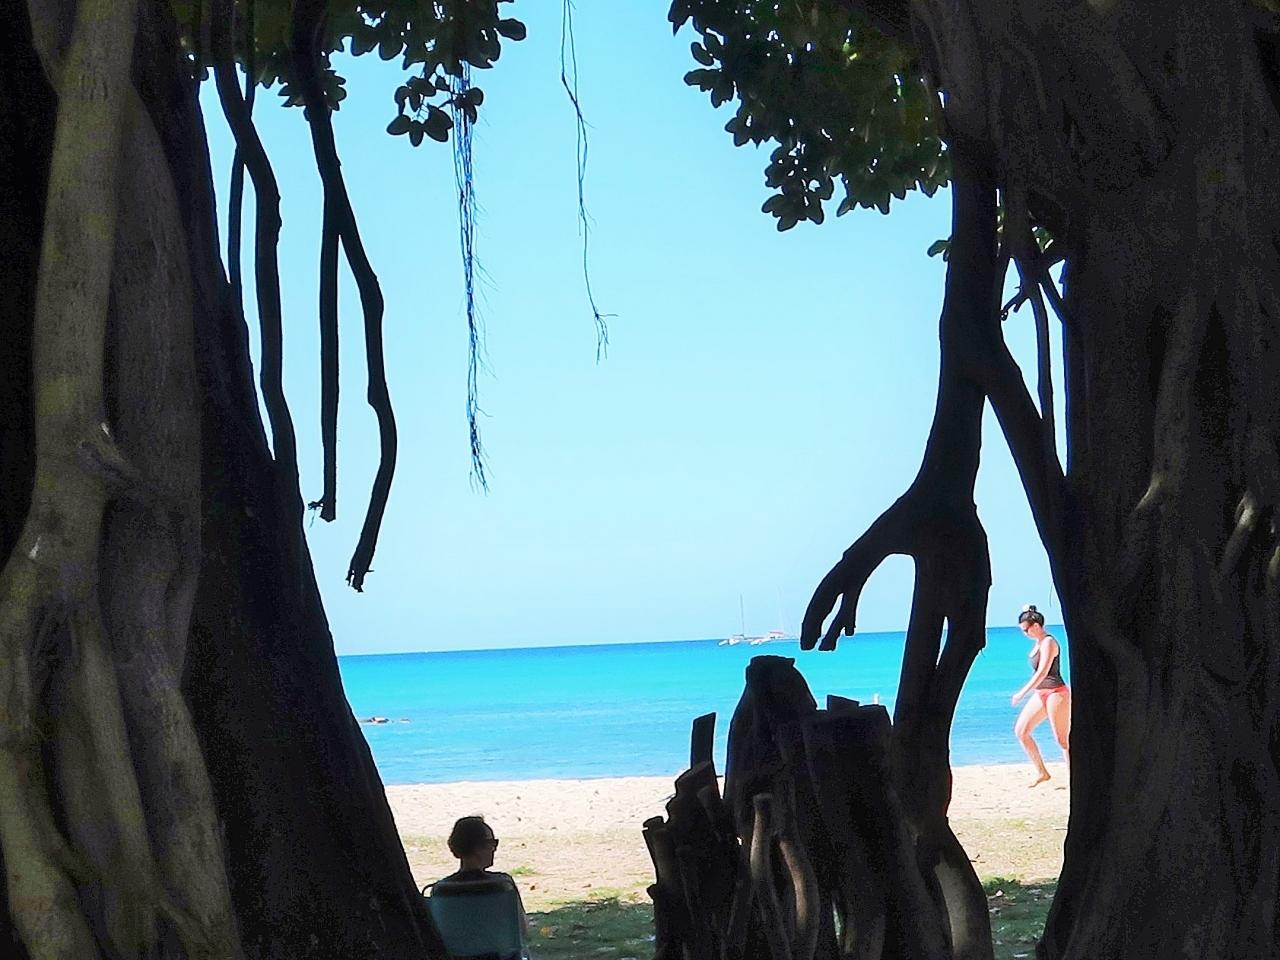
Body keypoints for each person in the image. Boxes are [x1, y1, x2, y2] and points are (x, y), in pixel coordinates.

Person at [437, 816, 529, 936]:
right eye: (492, 843)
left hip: (458, 949)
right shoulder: (502, 885)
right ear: (478, 847)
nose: (494, 849)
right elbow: (522, 929)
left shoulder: (441, 889)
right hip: (497, 949)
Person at [1010, 604, 1070, 787]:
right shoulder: (1038, 643)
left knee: (1063, 740)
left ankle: (1075, 777)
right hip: (1041, 694)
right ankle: (1042, 772)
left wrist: (1022, 693)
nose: (1025, 633)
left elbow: (1042, 672)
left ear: (1036, 626)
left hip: (1056, 693)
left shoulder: (1049, 642)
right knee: (1021, 731)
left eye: (1026, 630)